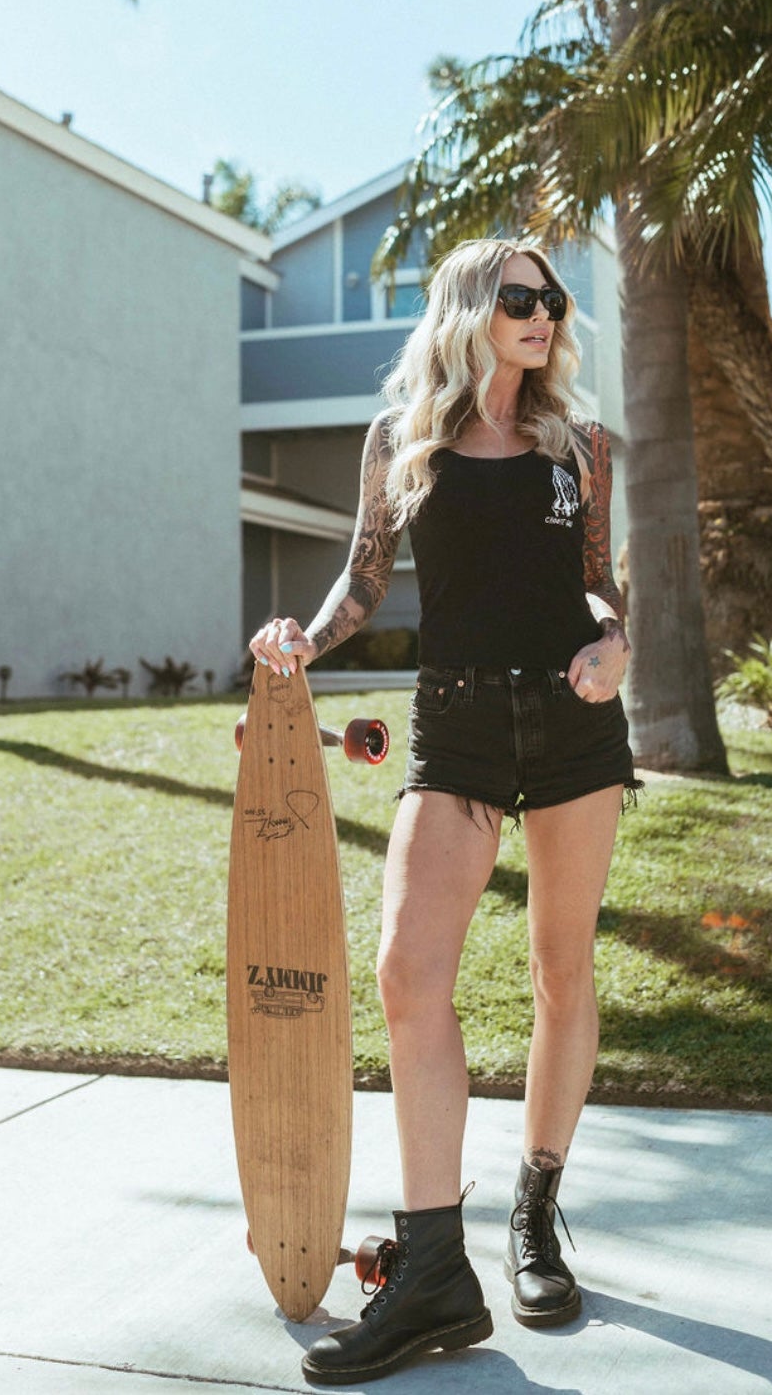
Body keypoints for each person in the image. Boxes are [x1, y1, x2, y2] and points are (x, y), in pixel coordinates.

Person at [247, 238, 637, 1384]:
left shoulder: (582, 446)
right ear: (472, 308)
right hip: (456, 723)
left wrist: (618, 642)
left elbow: (601, 581)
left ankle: (534, 1210)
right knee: (409, 975)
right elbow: (364, 579)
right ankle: (434, 1274)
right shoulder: (401, 441)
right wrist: (301, 643)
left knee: (562, 969)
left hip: (571, 723)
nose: (544, 314)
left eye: (553, 301)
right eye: (522, 298)